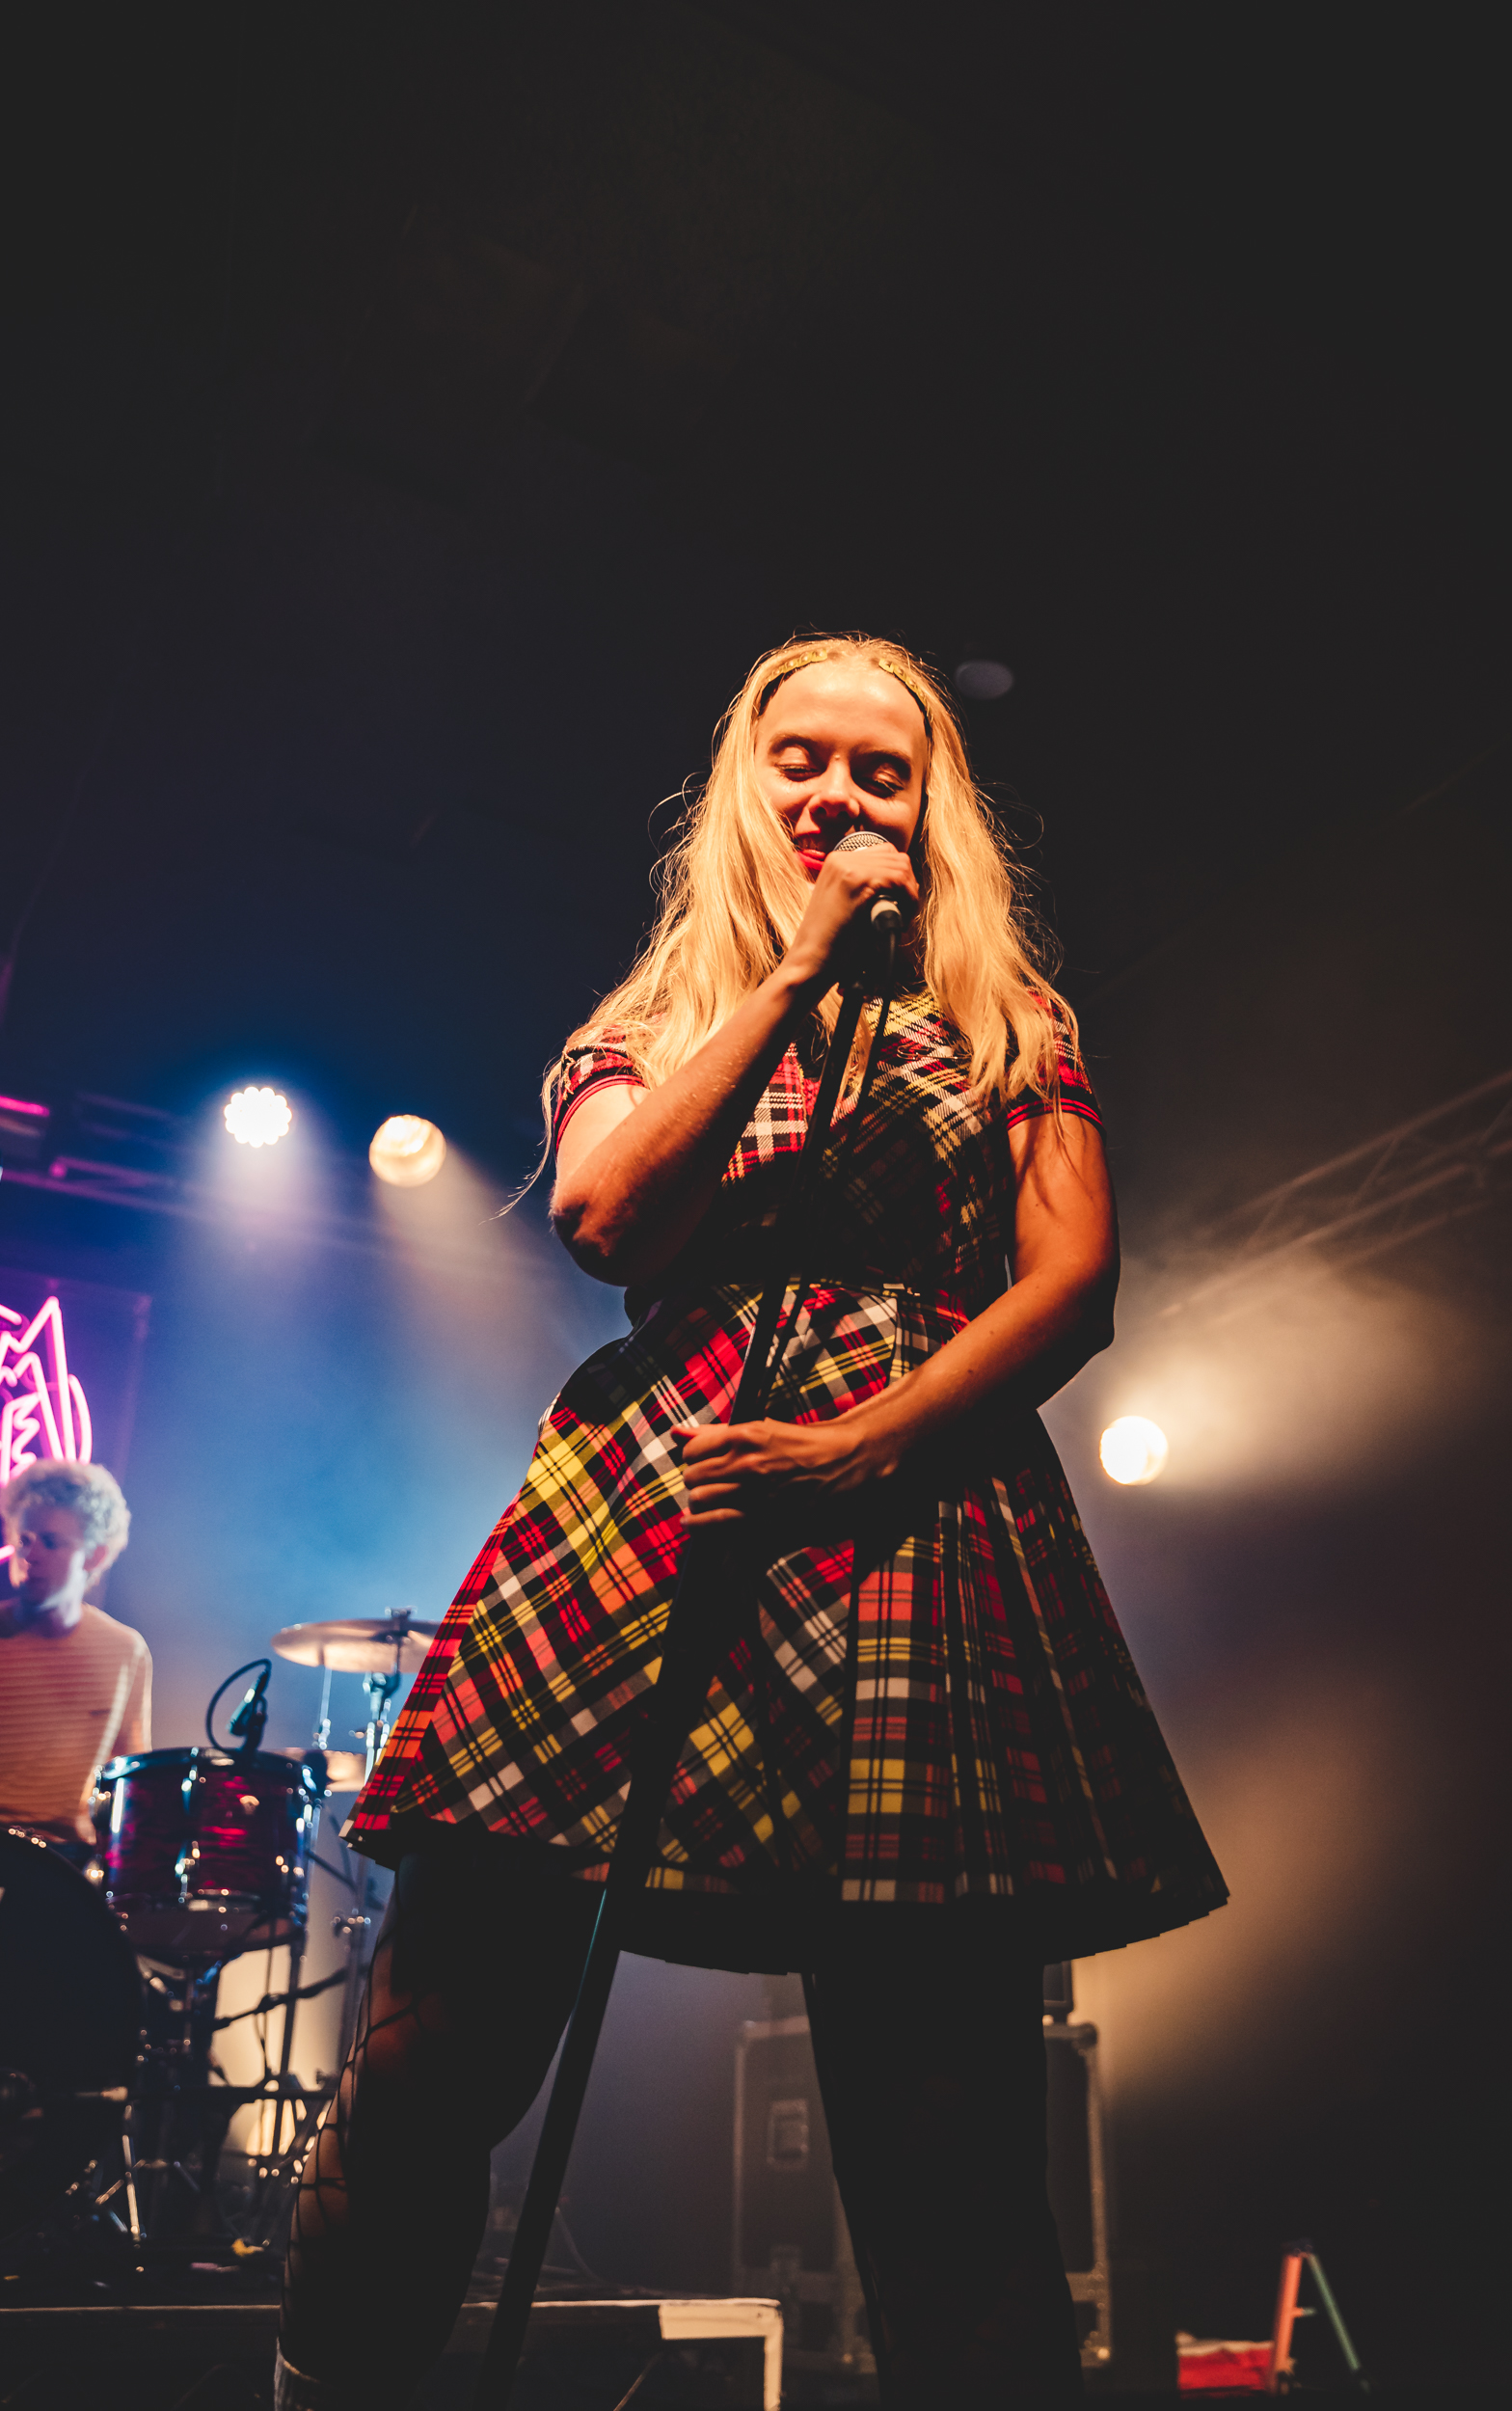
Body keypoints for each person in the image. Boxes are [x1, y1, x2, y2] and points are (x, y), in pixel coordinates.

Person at [278, 636, 1228, 2411]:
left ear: (932, 811)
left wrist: (862, 1447)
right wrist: (792, 969)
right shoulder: (645, 1027)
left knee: (944, 2148)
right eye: (807, 762)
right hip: (648, 1522)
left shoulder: (1013, 1024)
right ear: (746, 784)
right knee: (427, 2056)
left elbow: (1074, 1285)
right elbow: (609, 1222)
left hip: (915, 1529)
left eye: (885, 773)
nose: (842, 799)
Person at [0, 1457, 148, 1862]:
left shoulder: (125, 1650)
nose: (30, 1554)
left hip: (66, 1861)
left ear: (95, 1555)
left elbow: (127, 1779)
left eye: (50, 1542)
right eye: (24, 1539)